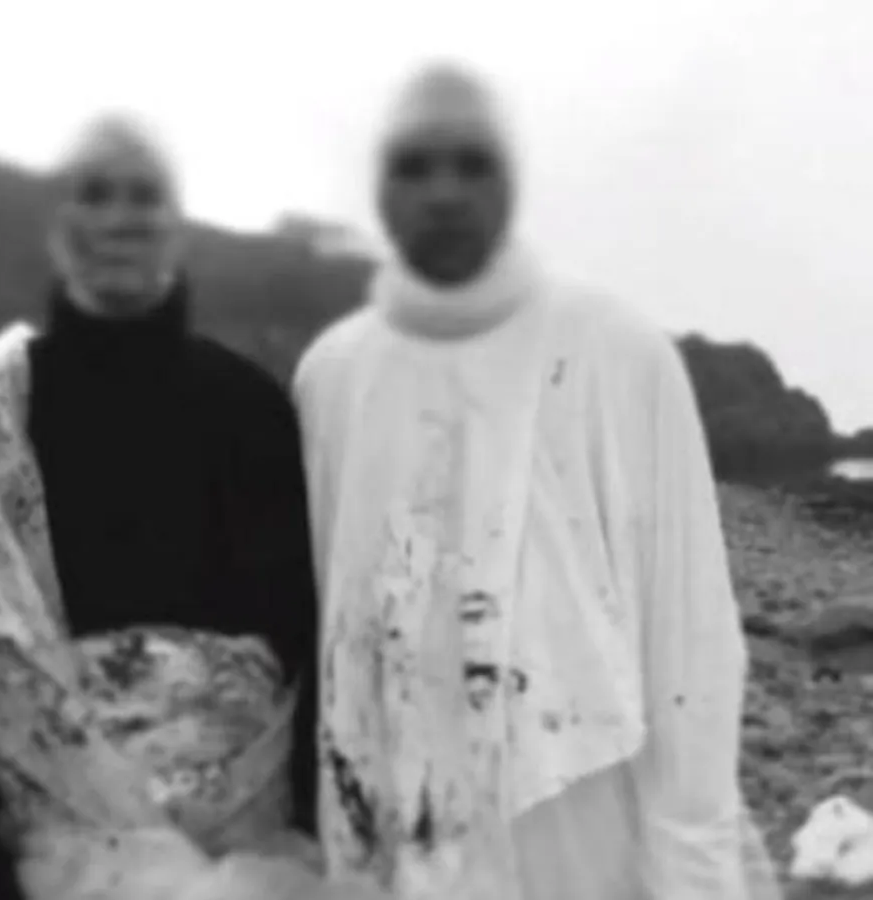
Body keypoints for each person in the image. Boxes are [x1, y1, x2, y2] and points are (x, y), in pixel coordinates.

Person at [293, 62, 784, 899]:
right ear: (380, 187)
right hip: (404, 812)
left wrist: (693, 857)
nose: (444, 193)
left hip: (582, 807)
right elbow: (334, 626)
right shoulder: (332, 373)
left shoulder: (617, 347)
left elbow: (690, 629)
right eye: (415, 166)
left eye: (472, 163)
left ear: (512, 178)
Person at [0, 113, 321, 900]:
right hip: (23, 807)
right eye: (95, 194)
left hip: (239, 822)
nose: (119, 219)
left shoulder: (249, 406)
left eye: (143, 196)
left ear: (176, 226)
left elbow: (300, 632)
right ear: (57, 226)